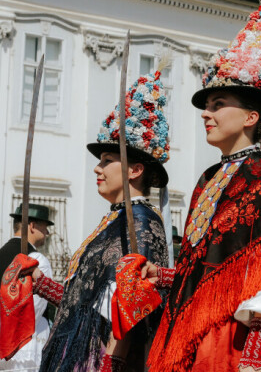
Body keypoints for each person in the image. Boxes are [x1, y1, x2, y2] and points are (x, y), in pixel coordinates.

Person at [142, 0, 261, 371]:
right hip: (189, 330)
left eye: (218, 104)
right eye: (206, 106)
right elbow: (208, 264)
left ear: (251, 117)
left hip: (233, 341)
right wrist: (161, 275)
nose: (206, 114)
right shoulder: (207, 178)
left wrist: (256, 357)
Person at [26, 69, 172, 372]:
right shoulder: (115, 219)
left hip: (99, 359)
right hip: (74, 351)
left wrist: (112, 362)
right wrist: (41, 284)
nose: (97, 168)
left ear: (134, 170)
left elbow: (133, 305)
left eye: (107, 161)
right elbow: (83, 301)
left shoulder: (142, 220)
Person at [0, 204, 54, 371]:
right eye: (45, 227)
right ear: (32, 226)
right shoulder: (36, 261)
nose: (47, 233)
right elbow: (34, 310)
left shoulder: (1, 254)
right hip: (27, 346)